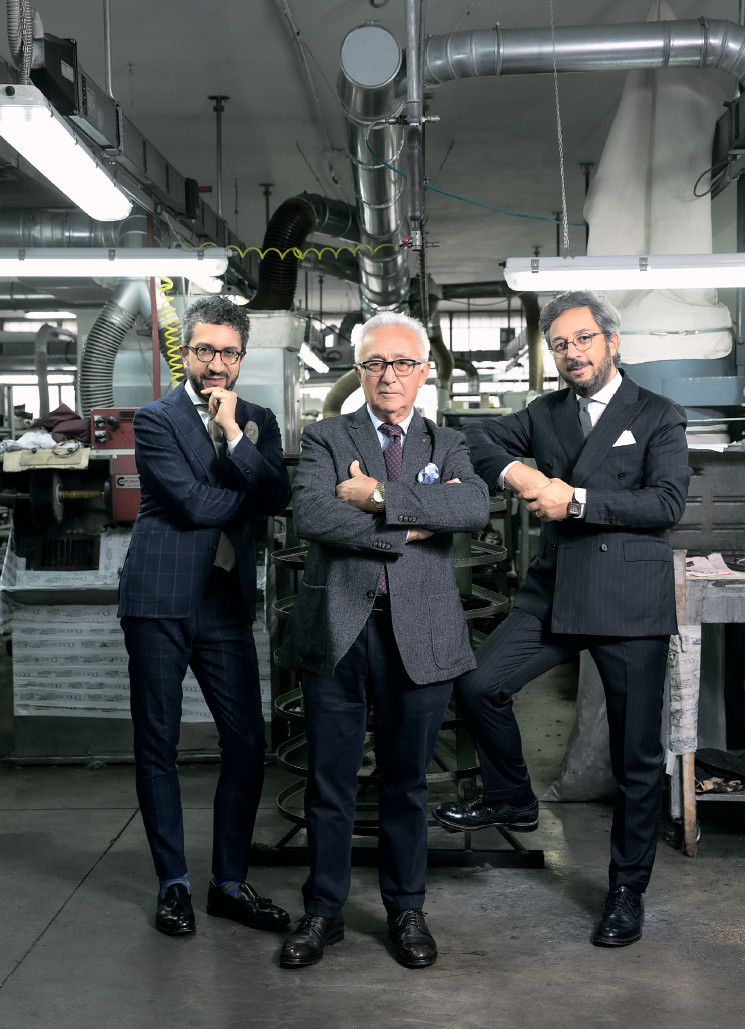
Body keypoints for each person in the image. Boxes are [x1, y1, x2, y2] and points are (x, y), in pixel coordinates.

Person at [434, 289, 691, 948]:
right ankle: (512, 797)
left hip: (628, 602)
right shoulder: (544, 413)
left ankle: (626, 891)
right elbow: (472, 437)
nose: (572, 353)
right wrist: (521, 476)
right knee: (478, 683)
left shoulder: (656, 413)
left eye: (582, 339)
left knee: (634, 760)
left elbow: (665, 503)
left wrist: (574, 500)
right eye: (559, 345)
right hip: (554, 594)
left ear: (611, 342)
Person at [277, 311, 489, 969]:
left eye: (401, 363)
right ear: (359, 371)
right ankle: (323, 910)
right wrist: (412, 523)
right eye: (374, 363)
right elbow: (313, 513)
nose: (388, 375)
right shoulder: (325, 436)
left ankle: (406, 908)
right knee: (330, 782)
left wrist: (373, 496)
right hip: (338, 628)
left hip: (420, 633)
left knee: (407, 783)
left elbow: (472, 506)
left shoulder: (447, 442)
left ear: (423, 372)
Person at [118, 295, 292, 936]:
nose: (216, 364)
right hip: (158, 598)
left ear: (242, 357)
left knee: (247, 742)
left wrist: (236, 437)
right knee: (157, 743)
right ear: (185, 352)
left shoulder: (259, 420)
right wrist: (252, 495)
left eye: (228, 352)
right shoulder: (155, 419)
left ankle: (228, 883)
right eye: (204, 350)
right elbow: (192, 503)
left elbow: (278, 494)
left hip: (222, 600)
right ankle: (174, 884)